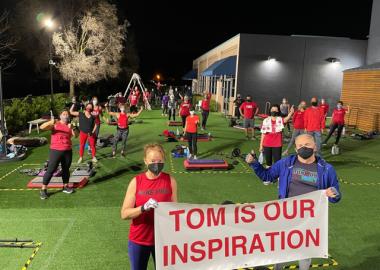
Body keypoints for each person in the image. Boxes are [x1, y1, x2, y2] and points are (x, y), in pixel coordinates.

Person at [246, 133, 341, 270]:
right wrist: (254, 163)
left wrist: (333, 193)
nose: (304, 148)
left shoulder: (327, 169)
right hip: (286, 216)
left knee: (305, 253)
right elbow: (267, 176)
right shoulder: (286, 163)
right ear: (296, 149)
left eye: (307, 144)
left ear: (315, 146)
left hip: (310, 219)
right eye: (300, 146)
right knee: (281, 250)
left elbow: (336, 196)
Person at [121, 143, 178, 270]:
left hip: (163, 240)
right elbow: (124, 214)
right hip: (139, 240)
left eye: (160, 161)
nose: (156, 164)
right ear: (145, 161)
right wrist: (143, 208)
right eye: (153, 161)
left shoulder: (170, 181)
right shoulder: (136, 182)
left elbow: (176, 211)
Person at [39, 109, 79, 199]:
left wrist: (73, 127)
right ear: (60, 116)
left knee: (66, 169)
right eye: (64, 114)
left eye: (67, 114)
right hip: (56, 150)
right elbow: (42, 127)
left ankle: (65, 186)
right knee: (51, 169)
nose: (66, 116)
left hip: (67, 151)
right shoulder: (55, 124)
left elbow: (76, 135)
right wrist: (51, 121)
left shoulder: (70, 125)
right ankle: (43, 190)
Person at [259, 104, 294, 182]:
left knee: (278, 162)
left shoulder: (280, 120)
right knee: (268, 162)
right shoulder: (266, 120)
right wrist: (261, 145)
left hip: (277, 144)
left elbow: (286, 119)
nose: (274, 111)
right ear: (270, 111)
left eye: (275, 110)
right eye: (272, 110)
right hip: (266, 144)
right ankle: (268, 178)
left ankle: (279, 179)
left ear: (278, 111)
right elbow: (263, 133)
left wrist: (291, 113)